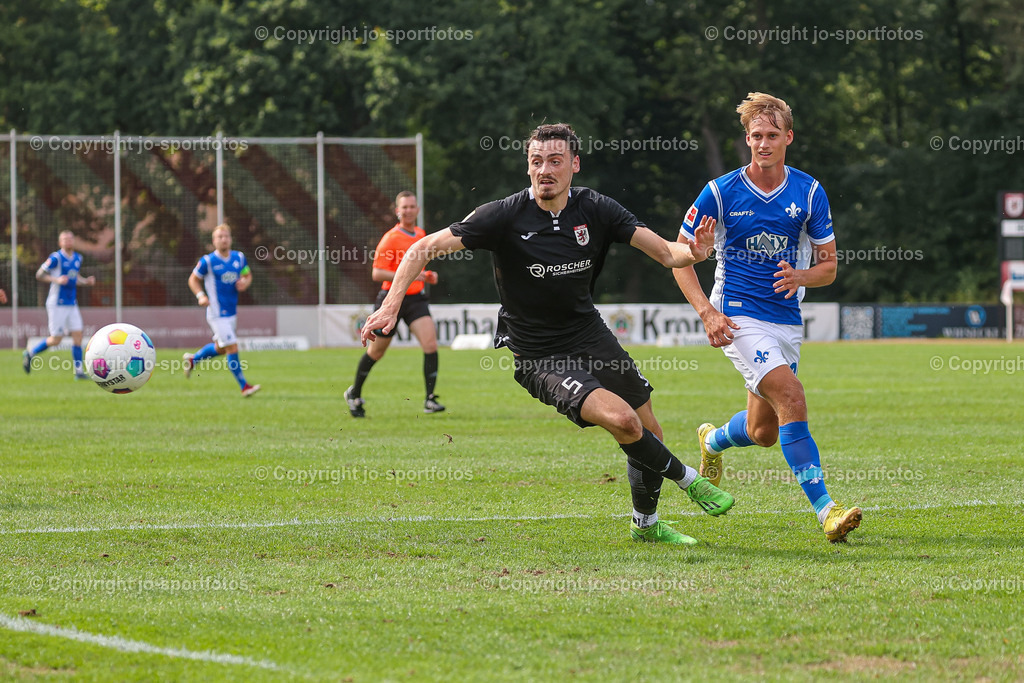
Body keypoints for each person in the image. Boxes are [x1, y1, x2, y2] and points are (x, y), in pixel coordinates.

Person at [361, 123, 734, 546]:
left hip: (589, 334)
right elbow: (420, 248)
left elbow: (668, 252)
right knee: (624, 422)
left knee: (650, 429)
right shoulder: (502, 215)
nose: (545, 170)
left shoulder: (597, 209)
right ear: (528, 167)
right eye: (536, 162)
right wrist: (389, 307)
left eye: (555, 161)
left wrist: (697, 252)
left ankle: (645, 526)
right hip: (539, 353)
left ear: (574, 165)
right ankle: (690, 481)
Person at [672, 92, 861, 543]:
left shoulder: (809, 191)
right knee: (792, 395)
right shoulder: (720, 192)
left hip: (786, 321)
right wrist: (707, 313)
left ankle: (713, 439)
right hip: (737, 317)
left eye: (772, 135)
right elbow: (680, 257)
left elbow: (829, 267)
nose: (763, 143)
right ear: (746, 139)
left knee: (763, 431)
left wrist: (802, 275)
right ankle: (827, 511)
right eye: (756, 135)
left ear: (788, 138)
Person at [345, 191, 444, 417]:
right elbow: (377, 273)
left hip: (416, 299)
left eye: (412, 206)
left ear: (417, 210)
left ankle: (430, 399)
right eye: (404, 207)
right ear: (397, 211)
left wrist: (427, 275)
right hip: (391, 299)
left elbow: (418, 266)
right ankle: (355, 393)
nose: (408, 210)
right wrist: (414, 277)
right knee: (377, 352)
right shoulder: (390, 238)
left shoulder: (420, 234)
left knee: (430, 344)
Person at [183, 224, 261, 397]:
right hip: (216, 313)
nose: (224, 239)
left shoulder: (239, 258)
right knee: (232, 347)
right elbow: (193, 280)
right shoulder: (208, 261)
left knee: (221, 348)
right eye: (220, 237)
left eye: (226, 236)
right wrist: (201, 295)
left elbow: (247, 275)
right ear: (214, 241)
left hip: (231, 312)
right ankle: (244, 386)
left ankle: (193, 359)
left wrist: (245, 282)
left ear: (231, 239)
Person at [23, 230, 96, 379]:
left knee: (78, 335)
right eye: (65, 239)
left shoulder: (77, 258)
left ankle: (79, 372)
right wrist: (56, 280)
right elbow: (39, 274)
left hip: (72, 302)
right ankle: (30, 353)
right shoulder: (56, 258)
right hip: (57, 303)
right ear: (60, 243)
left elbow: (74, 277)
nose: (68, 241)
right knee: (56, 339)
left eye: (70, 239)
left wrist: (85, 281)